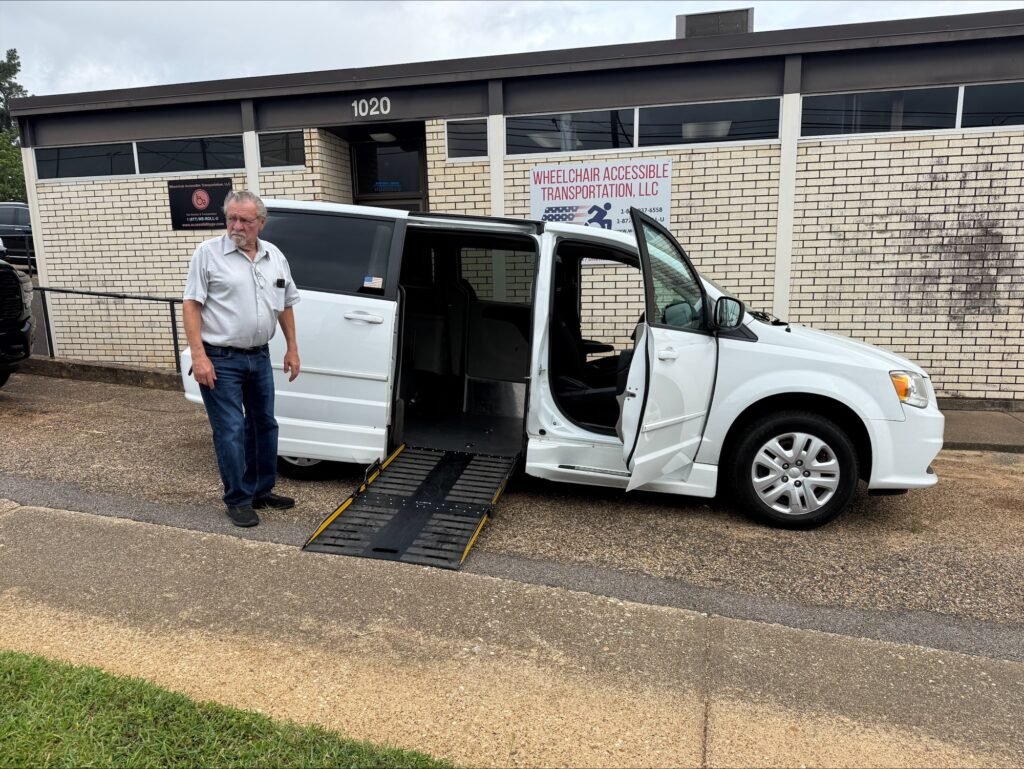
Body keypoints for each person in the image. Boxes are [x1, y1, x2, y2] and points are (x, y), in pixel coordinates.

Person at [182, 190, 300, 527]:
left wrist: (292, 347)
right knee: (231, 430)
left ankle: (261, 490)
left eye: (245, 220)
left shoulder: (274, 256)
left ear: (261, 223)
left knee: (264, 425)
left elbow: (286, 303)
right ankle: (237, 498)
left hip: (259, 357)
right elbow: (192, 305)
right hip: (220, 359)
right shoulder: (207, 254)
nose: (237, 225)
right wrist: (199, 356)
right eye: (231, 218)